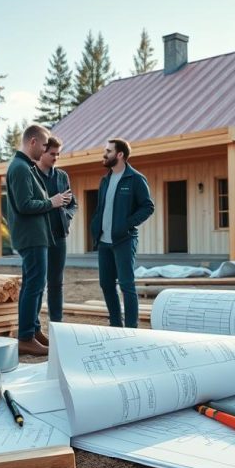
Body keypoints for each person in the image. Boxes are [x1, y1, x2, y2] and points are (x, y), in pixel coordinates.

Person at [5, 124, 72, 356]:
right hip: (31, 237)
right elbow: (24, 205)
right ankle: (25, 337)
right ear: (32, 142)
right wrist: (51, 202)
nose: (45, 149)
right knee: (34, 286)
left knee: (33, 285)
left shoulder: (26, 167)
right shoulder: (20, 168)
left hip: (37, 236)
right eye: (44, 145)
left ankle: (33, 331)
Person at [90, 138, 154, 328]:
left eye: (108, 151)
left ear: (120, 155)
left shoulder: (135, 179)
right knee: (106, 284)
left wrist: (127, 224)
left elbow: (147, 206)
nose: (105, 154)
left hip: (124, 240)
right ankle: (116, 325)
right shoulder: (105, 179)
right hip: (104, 241)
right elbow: (102, 207)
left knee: (126, 285)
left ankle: (132, 328)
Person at [35, 135, 77, 337]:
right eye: (52, 153)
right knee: (37, 283)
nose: (56, 157)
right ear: (42, 151)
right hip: (39, 237)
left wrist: (66, 216)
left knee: (56, 283)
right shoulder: (31, 175)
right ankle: (34, 329)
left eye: (58, 154)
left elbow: (71, 204)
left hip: (59, 236)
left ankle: (57, 328)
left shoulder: (62, 176)